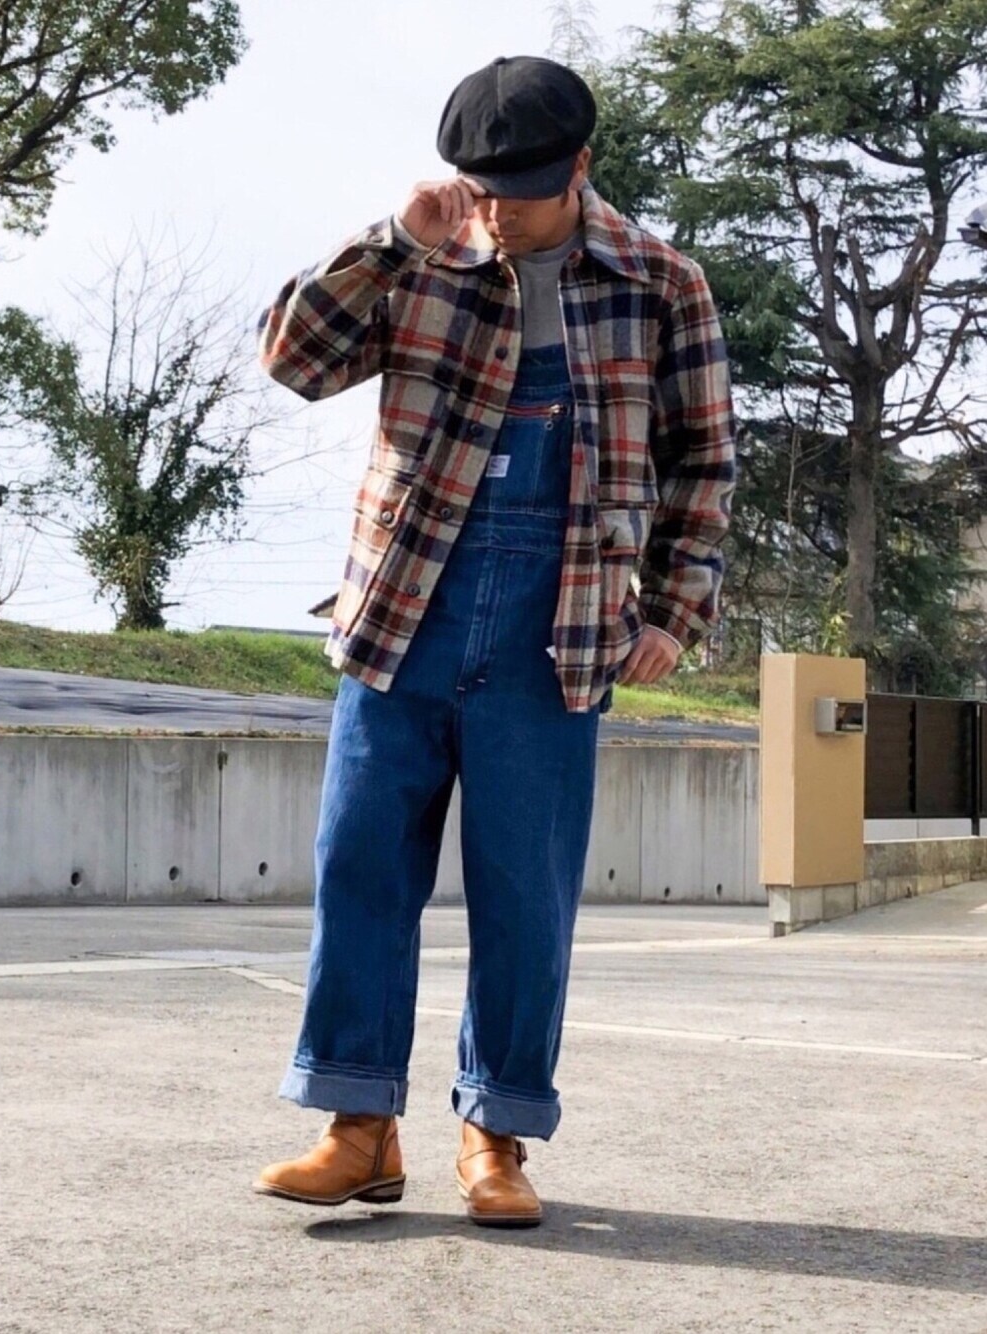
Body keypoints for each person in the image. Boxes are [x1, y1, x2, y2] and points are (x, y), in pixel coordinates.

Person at [253, 54, 736, 1228]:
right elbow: (292, 360)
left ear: (578, 167)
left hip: (556, 631)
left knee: (525, 896)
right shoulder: (422, 253)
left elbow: (704, 461)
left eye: (521, 190)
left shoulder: (661, 282)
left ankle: (496, 1133)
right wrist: (387, 243)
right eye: (484, 188)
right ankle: (356, 1127)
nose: (499, 212)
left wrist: (673, 610)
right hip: (401, 611)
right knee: (360, 870)